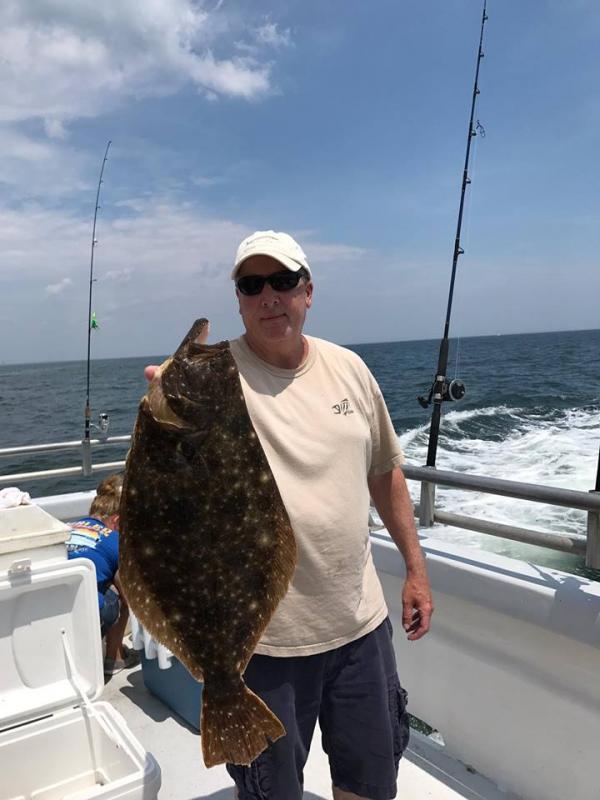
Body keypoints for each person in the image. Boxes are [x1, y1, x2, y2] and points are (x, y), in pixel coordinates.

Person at [147, 230, 433, 800]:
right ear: (238, 300)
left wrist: (416, 569)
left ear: (308, 291)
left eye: (282, 281)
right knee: (271, 791)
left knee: (371, 782)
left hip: (359, 625)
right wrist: (163, 406)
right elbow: (164, 496)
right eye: (252, 285)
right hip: (261, 644)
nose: (268, 297)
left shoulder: (350, 368)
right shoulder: (209, 378)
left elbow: (384, 472)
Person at [66, 473, 139, 676]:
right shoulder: (113, 539)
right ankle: (115, 659)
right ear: (116, 520)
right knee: (121, 591)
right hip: (87, 612)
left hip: (58, 608)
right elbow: (129, 594)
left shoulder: (69, 527)